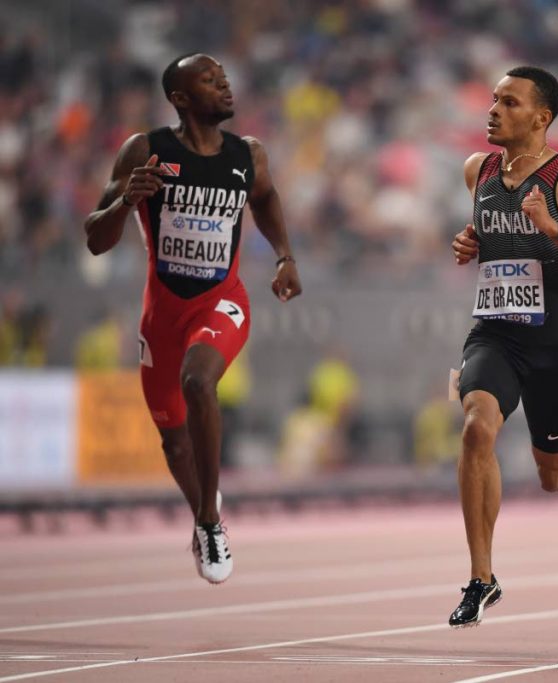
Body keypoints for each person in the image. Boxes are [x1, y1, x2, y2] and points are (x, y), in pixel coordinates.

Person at [84, 54, 302, 583]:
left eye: (225, 78)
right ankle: (204, 503)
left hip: (222, 301)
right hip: (161, 312)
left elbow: (267, 198)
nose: (225, 87)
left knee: (198, 381)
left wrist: (284, 256)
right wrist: (123, 203)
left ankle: (208, 523)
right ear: (180, 98)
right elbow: (95, 238)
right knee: (173, 440)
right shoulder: (147, 150)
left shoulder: (247, 154)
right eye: (209, 81)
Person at [448, 66, 558, 627]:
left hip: (551, 346)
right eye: (493, 100)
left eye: (509, 102)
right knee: (477, 428)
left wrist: (552, 229)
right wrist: (472, 241)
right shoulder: (479, 170)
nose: (493, 111)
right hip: (493, 334)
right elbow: (491, 236)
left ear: (541, 117)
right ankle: (481, 578)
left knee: (552, 473)